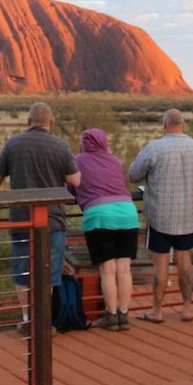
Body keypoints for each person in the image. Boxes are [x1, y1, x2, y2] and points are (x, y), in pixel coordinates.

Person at [0, 102, 81, 335]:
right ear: (51, 122)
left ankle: (28, 318)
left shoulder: (13, 143)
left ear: (28, 122)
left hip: (21, 218)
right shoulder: (61, 146)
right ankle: (42, 321)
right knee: (47, 272)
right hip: (53, 220)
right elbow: (76, 181)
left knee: (22, 270)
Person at [128, 108, 193, 322]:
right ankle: (187, 309)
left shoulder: (154, 149)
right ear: (183, 124)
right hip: (189, 216)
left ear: (165, 125)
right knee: (185, 262)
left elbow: (134, 174)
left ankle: (157, 311)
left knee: (161, 264)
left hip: (160, 217)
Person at [67, 129, 140, 331]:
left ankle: (111, 315)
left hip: (99, 216)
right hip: (128, 213)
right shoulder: (114, 160)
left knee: (107, 270)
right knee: (124, 269)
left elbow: (70, 188)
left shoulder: (77, 162)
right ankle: (124, 316)